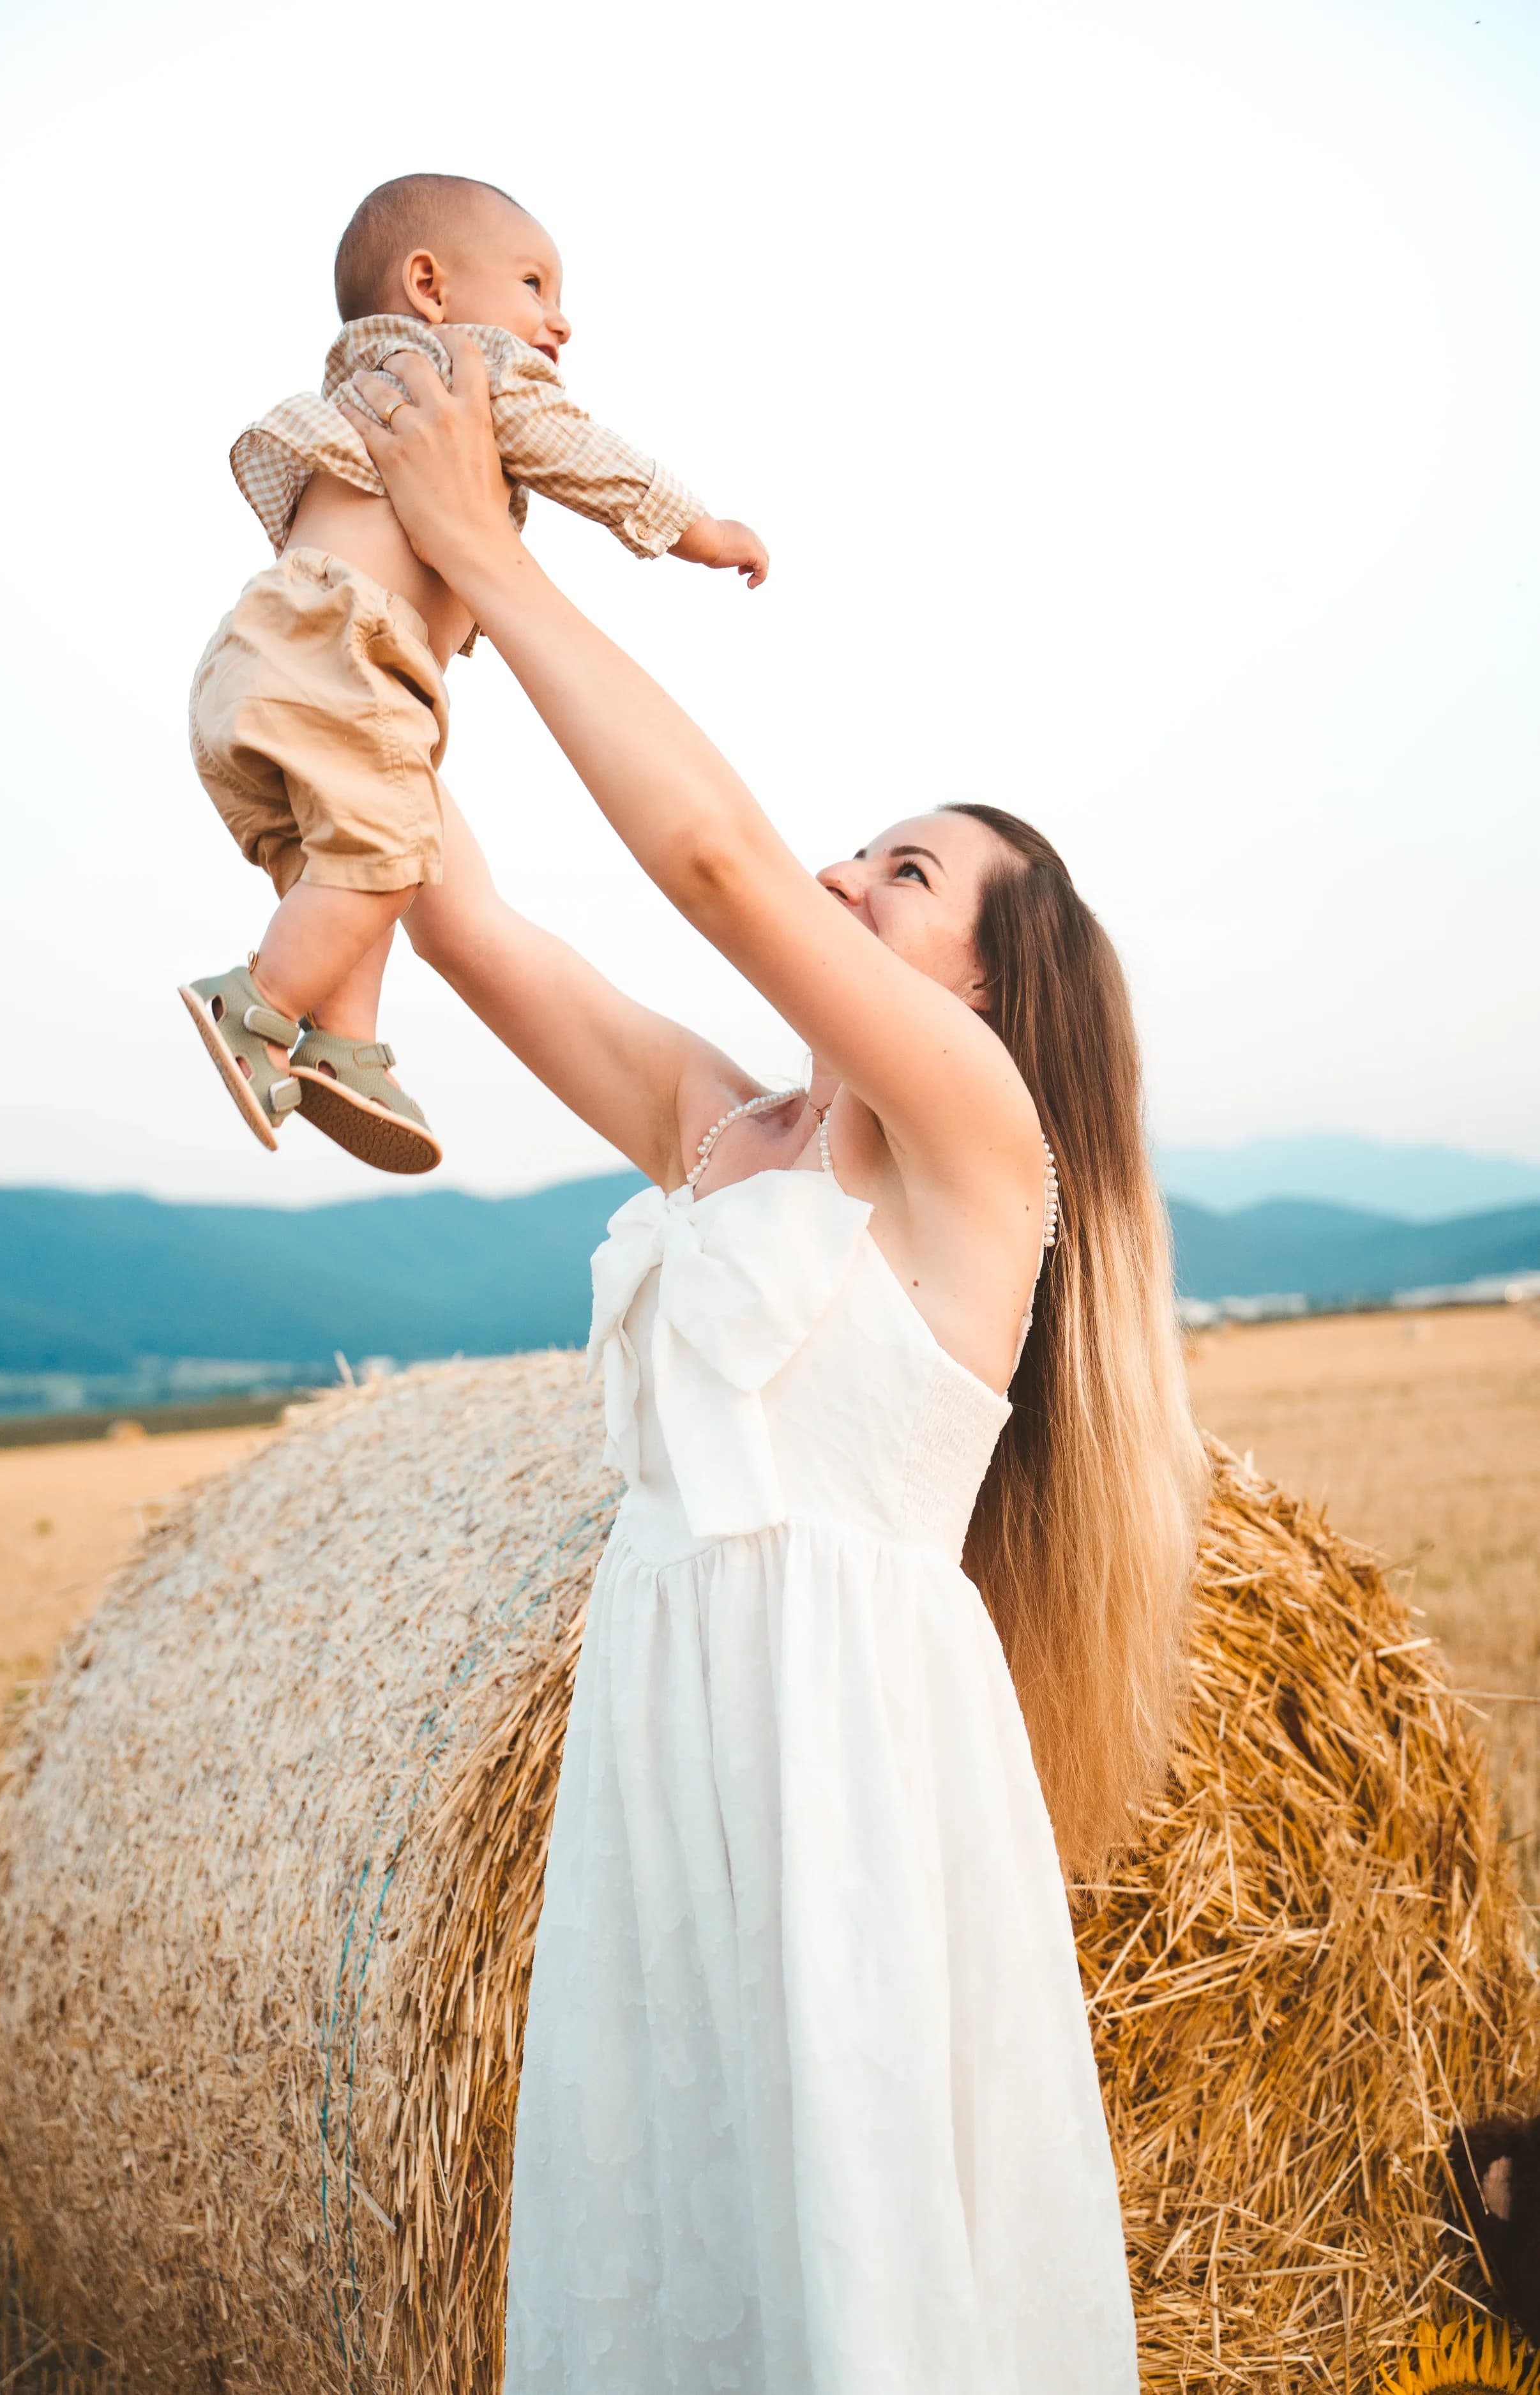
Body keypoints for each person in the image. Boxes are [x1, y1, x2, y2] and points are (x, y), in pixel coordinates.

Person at [340, 337, 1207, 2393]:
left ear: (991, 984)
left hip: (854, 1771)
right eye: (857, 850)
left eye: (900, 875)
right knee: (677, 2240)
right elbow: (469, 921)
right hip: (669, 1746)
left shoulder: (984, 1153)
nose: (836, 877)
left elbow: (714, 861)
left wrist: (492, 534)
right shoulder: (727, 1129)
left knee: (866, 2272)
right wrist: (368, 631)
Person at [179, 174, 767, 1174]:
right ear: (430, 285)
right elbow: (576, 448)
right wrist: (694, 529)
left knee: (350, 862)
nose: (561, 321)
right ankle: (258, 1004)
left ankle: (342, 1044)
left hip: (264, 653)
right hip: (344, 645)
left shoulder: (369, 384)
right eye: (537, 284)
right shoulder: (465, 366)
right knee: (392, 850)